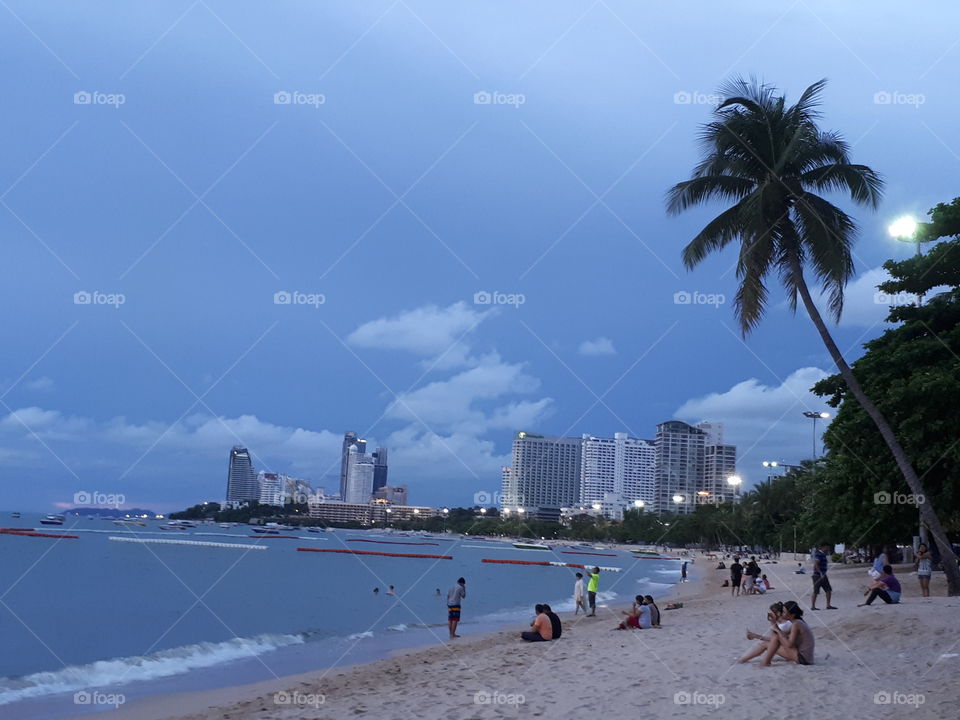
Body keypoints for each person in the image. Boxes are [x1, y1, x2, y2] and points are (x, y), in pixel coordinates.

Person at [739, 601, 814, 666]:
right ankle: (745, 660)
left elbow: (789, 644)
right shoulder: (797, 622)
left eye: (784, 612)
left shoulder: (796, 624)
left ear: (792, 615)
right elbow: (780, 638)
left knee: (774, 638)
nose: (782, 614)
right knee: (768, 642)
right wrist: (773, 625)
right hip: (805, 658)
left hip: (803, 659)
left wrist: (777, 630)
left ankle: (764, 662)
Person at [810, 543, 837, 610]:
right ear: (823, 547)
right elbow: (816, 564)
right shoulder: (819, 554)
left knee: (828, 590)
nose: (828, 549)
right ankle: (813, 606)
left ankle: (828, 605)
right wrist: (820, 573)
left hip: (823, 575)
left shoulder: (823, 555)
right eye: (827, 547)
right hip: (818, 576)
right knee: (816, 591)